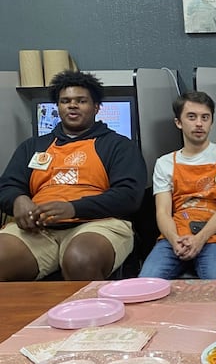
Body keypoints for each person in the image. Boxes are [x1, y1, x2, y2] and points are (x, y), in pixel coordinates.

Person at [0, 69, 147, 281]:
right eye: (65, 101)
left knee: (80, 259)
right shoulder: (33, 146)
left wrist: (73, 208)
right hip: (38, 230)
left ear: (96, 107)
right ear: (58, 107)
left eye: (81, 101)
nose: (72, 105)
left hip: (98, 224)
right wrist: (18, 200)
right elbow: (8, 185)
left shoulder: (118, 146)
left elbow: (128, 196)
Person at [139, 91, 216, 279]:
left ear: (211, 122)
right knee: (146, 282)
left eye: (205, 117)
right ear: (178, 122)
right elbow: (163, 212)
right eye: (192, 117)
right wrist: (174, 240)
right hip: (175, 236)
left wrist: (200, 239)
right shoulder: (165, 163)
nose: (199, 123)